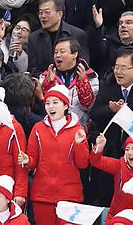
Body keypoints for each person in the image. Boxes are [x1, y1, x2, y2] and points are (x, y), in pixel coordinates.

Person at [18, 85, 89, 225]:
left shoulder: (77, 130)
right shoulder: (38, 128)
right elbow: (33, 160)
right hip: (43, 195)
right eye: (48, 103)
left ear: (65, 106)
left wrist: (79, 144)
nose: (51, 107)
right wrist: (28, 160)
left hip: (70, 195)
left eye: (55, 102)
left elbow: (83, 163)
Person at [90, 49, 133, 158]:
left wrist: (124, 113)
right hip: (109, 145)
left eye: (123, 68)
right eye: (116, 67)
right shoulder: (107, 83)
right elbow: (94, 113)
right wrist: (111, 110)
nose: (118, 72)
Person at [39, 37, 99, 127]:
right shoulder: (46, 75)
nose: (57, 55)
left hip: (79, 127)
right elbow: (43, 102)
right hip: (52, 126)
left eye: (62, 51)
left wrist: (83, 83)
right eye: (55, 52)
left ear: (74, 54)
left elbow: (87, 106)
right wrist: (49, 84)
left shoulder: (90, 76)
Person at [27, 0, 89, 76]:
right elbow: (33, 68)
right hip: (44, 83)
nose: (43, 16)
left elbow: (83, 64)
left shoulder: (77, 35)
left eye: (47, 12)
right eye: (40, 12)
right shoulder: (34, 38)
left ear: (60, 14)